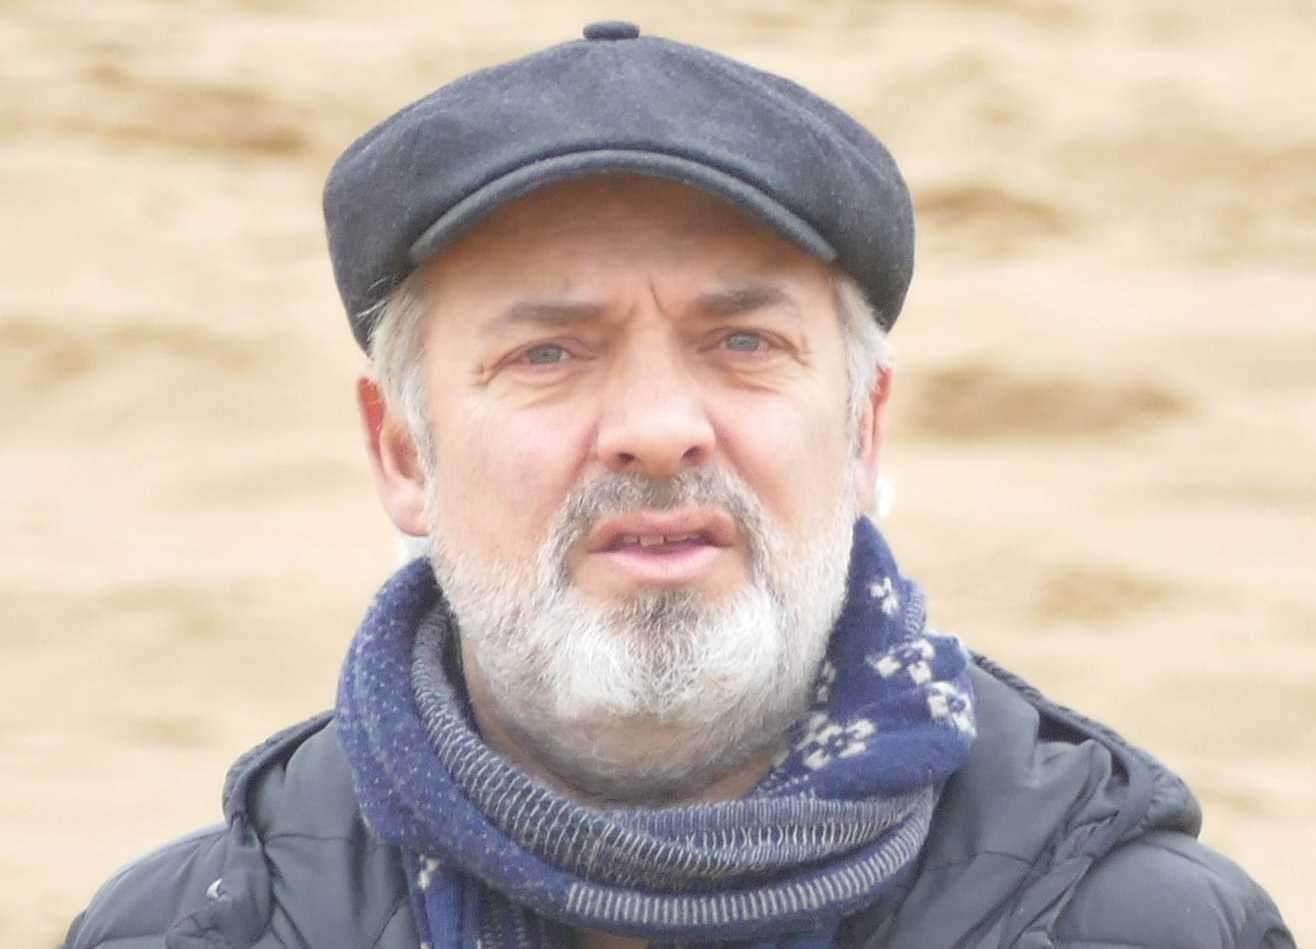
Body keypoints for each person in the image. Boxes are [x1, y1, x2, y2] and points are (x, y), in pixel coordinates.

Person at [63, 21, 1292, 949]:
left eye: (741, 344)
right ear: (402, 452)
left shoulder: (1137, 922)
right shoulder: (193, 926)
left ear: (862, 431)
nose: (656, 431)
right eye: (547, 352)